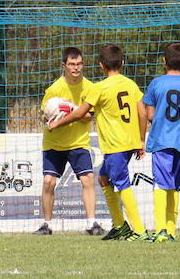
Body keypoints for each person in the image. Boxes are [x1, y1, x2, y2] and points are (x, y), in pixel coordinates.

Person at [49, 44, 148, 240]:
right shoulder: (131, 84)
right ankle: (120, 226)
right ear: (122, 63)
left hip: (115, 145)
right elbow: (143, 113)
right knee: (103, 178)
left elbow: (80, 113)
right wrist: (141, 140)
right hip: (128, 143)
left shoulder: (99, 88)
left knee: (122, 183)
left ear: (101, 65)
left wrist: (57, 123)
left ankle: (139, 230)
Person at [33, 46, 104, 235]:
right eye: (72, 64)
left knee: (87, 179)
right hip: (54, 143)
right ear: (64, 65)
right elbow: (43, 117)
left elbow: (89, 116)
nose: (76, 68)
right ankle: (47, 225)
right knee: (48, 181)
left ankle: (91, 223)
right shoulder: (54, 90)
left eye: (79, 64)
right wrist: (52, 116)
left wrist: (71, 108)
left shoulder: (90, 87)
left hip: (78, 142)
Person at [140, 41, 180, 242]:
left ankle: (160, 230)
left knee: (160, 185)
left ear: (163, 61)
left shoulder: (156, 84)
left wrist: (145, 135)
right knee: (175, 185)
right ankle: (171, 230)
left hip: (161, 141)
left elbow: (148, 113)